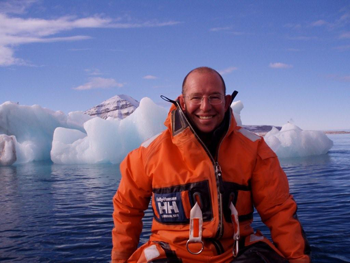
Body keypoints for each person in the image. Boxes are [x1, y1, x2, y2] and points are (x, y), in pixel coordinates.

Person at [112, 67, 311, 263]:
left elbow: (279, 211)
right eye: (196, 97)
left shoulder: (254, 149)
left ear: (226, 102)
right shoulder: (147, 155)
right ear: (182, 101)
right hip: (171, 254)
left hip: (238, 252)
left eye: (214, 97)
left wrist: (298, 259)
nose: (205, 106)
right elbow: (127, 211)